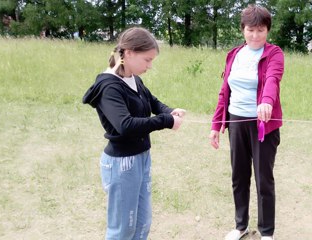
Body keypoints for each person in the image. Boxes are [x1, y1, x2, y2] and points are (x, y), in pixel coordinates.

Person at [82, 27, 186, 240]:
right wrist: (166, 121)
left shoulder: (133, 77)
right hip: (121, 164)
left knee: (142, 222)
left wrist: (168, 111)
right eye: (147, 60)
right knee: (122, 228)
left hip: (142, 157)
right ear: (128, 53)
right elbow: (125, 125)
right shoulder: (109, 86)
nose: (150, 66)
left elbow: (151, 101)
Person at [209, 5, 284, 240]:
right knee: (239, 175)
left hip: (263, 124)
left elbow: (273, 78)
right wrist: (216, 125)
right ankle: (240, 226)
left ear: (267, 31)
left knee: (263, 178)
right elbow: (225, 91)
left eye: (261, 30)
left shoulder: (274, 53)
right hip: (236, 122)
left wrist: (267, 102)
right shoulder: (233, 54)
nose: (255, 35)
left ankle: (267, 232)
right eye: (251, 30)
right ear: (243, 29)